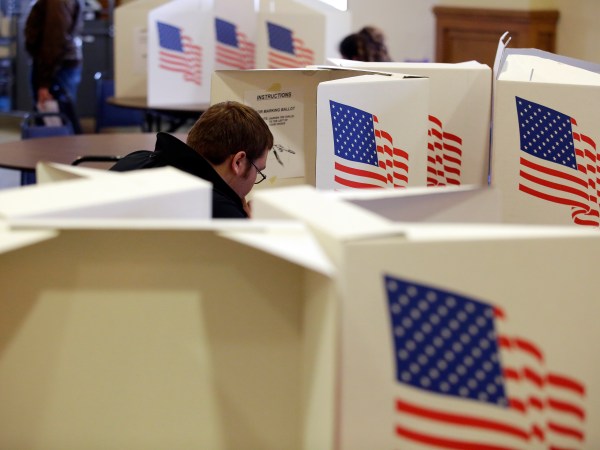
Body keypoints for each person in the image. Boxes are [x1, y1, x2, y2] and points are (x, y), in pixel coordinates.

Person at [110, 101, 273, 219]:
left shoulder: (135, 160)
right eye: (258, 170)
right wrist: (252, 230)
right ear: (238, 162)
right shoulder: (221, 211)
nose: (255, 180)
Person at [24, 0, 85, 134]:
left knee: (58, 124)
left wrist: (44, 82)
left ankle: (68, 154)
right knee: (58, 121)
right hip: (55, 65)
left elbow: (54, 39)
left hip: (56, 67)